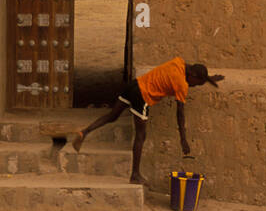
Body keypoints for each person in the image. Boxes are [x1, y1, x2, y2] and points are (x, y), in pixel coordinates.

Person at [72, 56, 224, 186]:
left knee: (112, 116)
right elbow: (180, 113)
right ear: (192, 76)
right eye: (195, 84)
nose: (192, 86)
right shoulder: (181, 84)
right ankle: (135, 174)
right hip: (143, 96)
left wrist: (208, 78)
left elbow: (192, 68)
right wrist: (183, 139)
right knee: (141, 136)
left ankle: (84, 132)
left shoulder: (178, 62)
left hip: (133, 85)